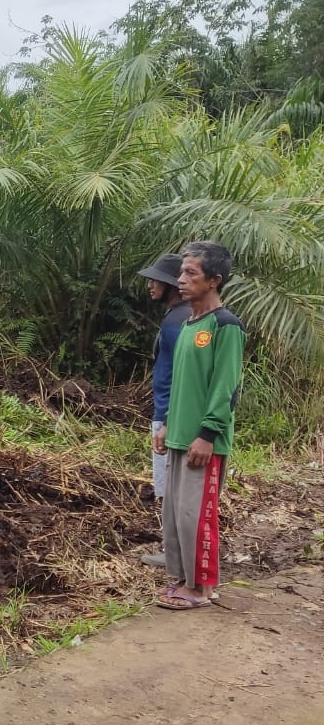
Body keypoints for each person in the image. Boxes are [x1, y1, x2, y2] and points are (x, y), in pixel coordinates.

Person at [153, 241, 245, 610]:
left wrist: (207, 434)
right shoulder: (190, 323)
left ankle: (202, 589)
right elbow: (184, 385)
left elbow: (226, 388)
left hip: (203, 442)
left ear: (214, 280)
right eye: (182, 272)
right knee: (175, 515)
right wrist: (167, 425)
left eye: (191, 273)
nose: (181, 279)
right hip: (178, 435)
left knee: (196, 517)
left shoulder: (225, 326)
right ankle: (183, 580)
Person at [137, 253, 189, 568]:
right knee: (172, 486)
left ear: (171, 285)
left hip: (170, 415)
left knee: (170, 487)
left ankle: (175, 554)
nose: (149, 285)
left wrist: (168, 418)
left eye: (155, 280)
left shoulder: (176, 321)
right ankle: (177, 551)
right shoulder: (181, 316)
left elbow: (182, 374)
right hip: (171, 412)